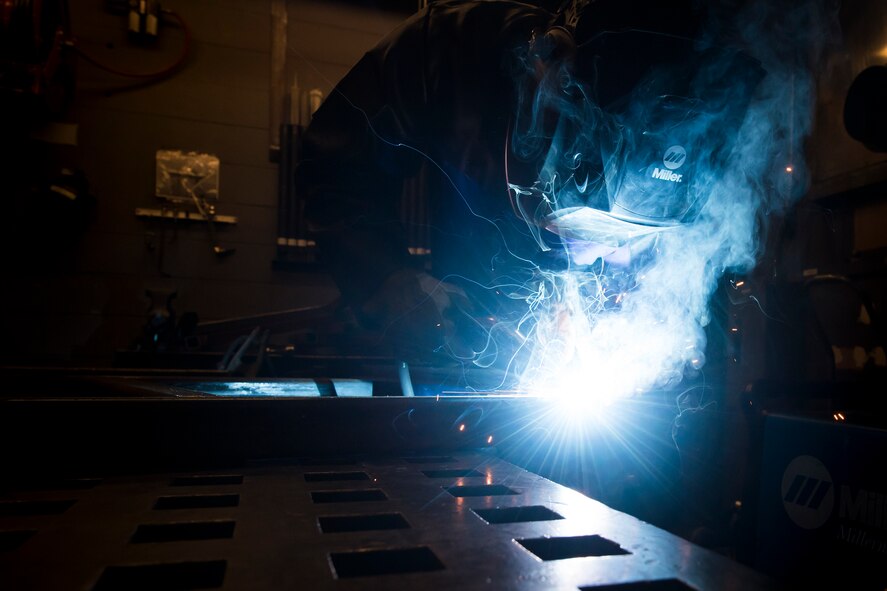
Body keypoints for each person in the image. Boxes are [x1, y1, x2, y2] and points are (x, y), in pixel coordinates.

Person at [297, 0, 758, 371]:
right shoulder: (454, 49)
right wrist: (383, 277)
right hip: (462, 298)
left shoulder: (711, 122)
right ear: (547, 72)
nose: (599, 247)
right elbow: (337, 161)